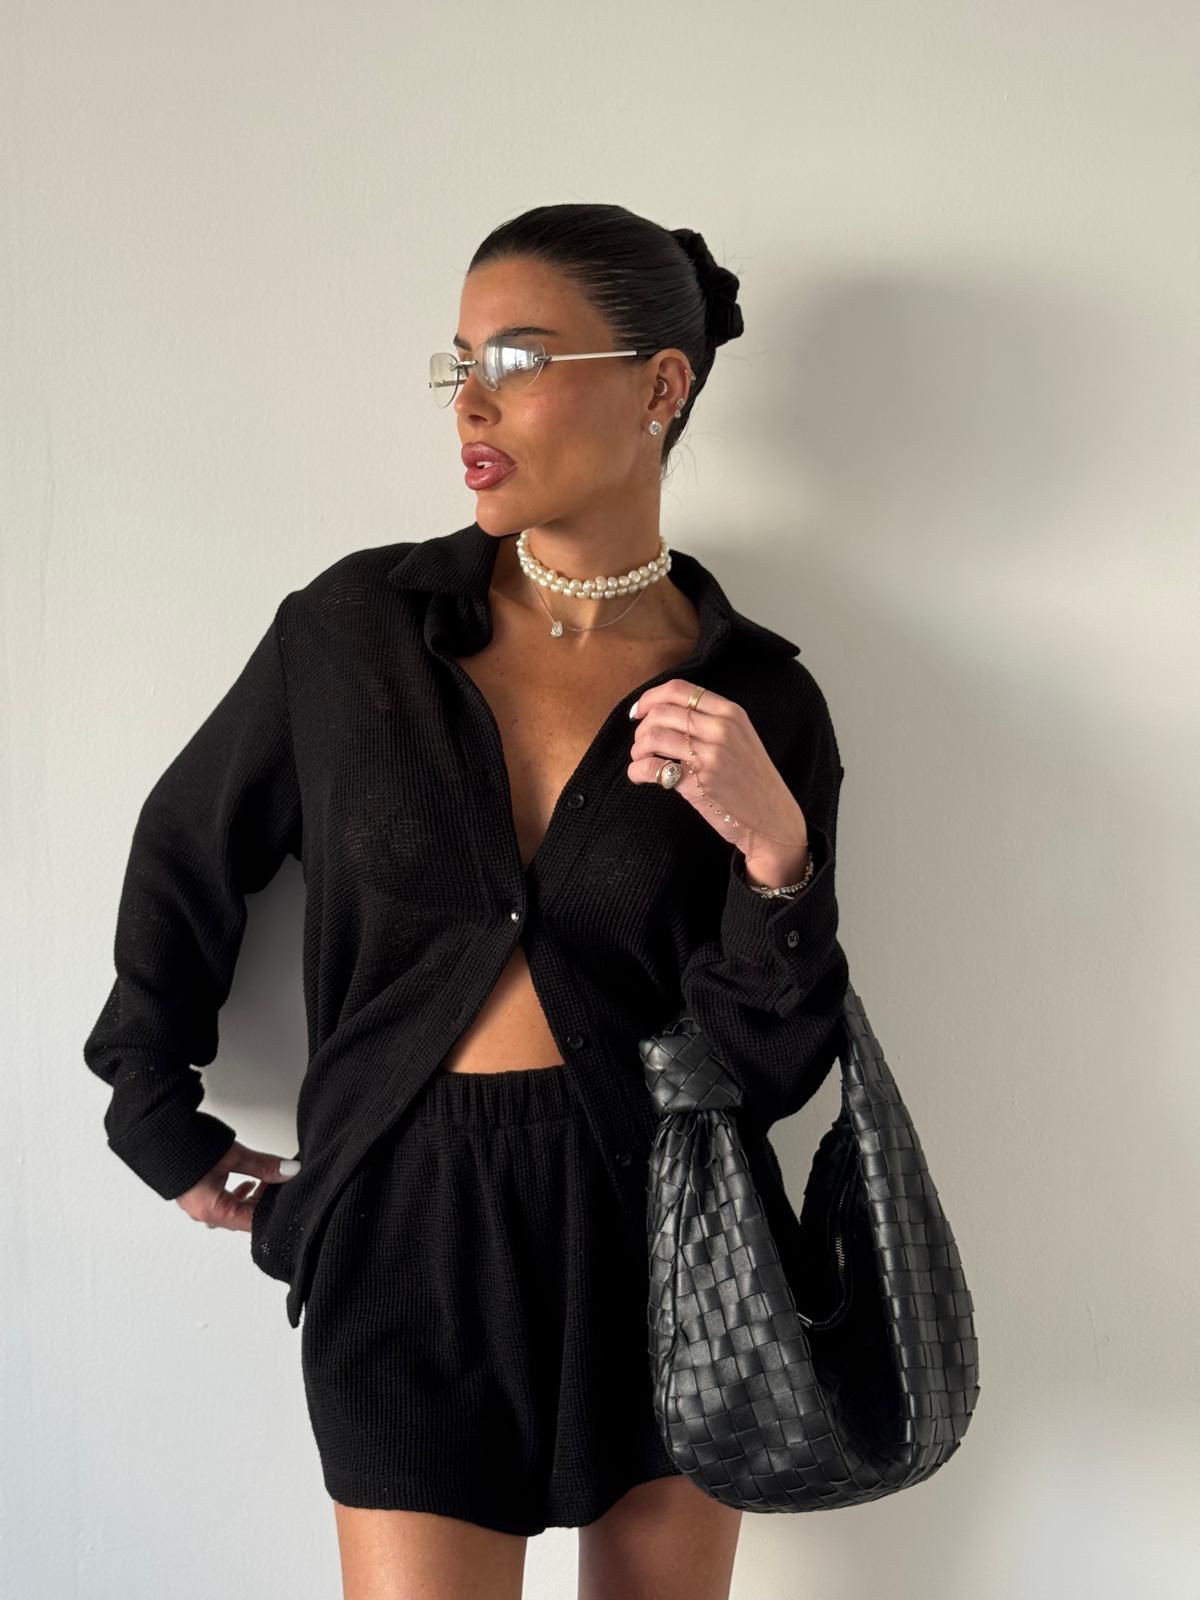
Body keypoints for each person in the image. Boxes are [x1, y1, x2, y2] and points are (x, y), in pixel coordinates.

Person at [84, 202, 849, 1600]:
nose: (471, 403)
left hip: (671, 1228)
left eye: (519, 357)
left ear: (659, 386)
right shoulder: (356, 632)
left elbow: (769, 1064)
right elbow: (185, 850)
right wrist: (153, 1109)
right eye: (460, 363)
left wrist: (778, 860)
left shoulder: (760, 699)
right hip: (406, 1220)